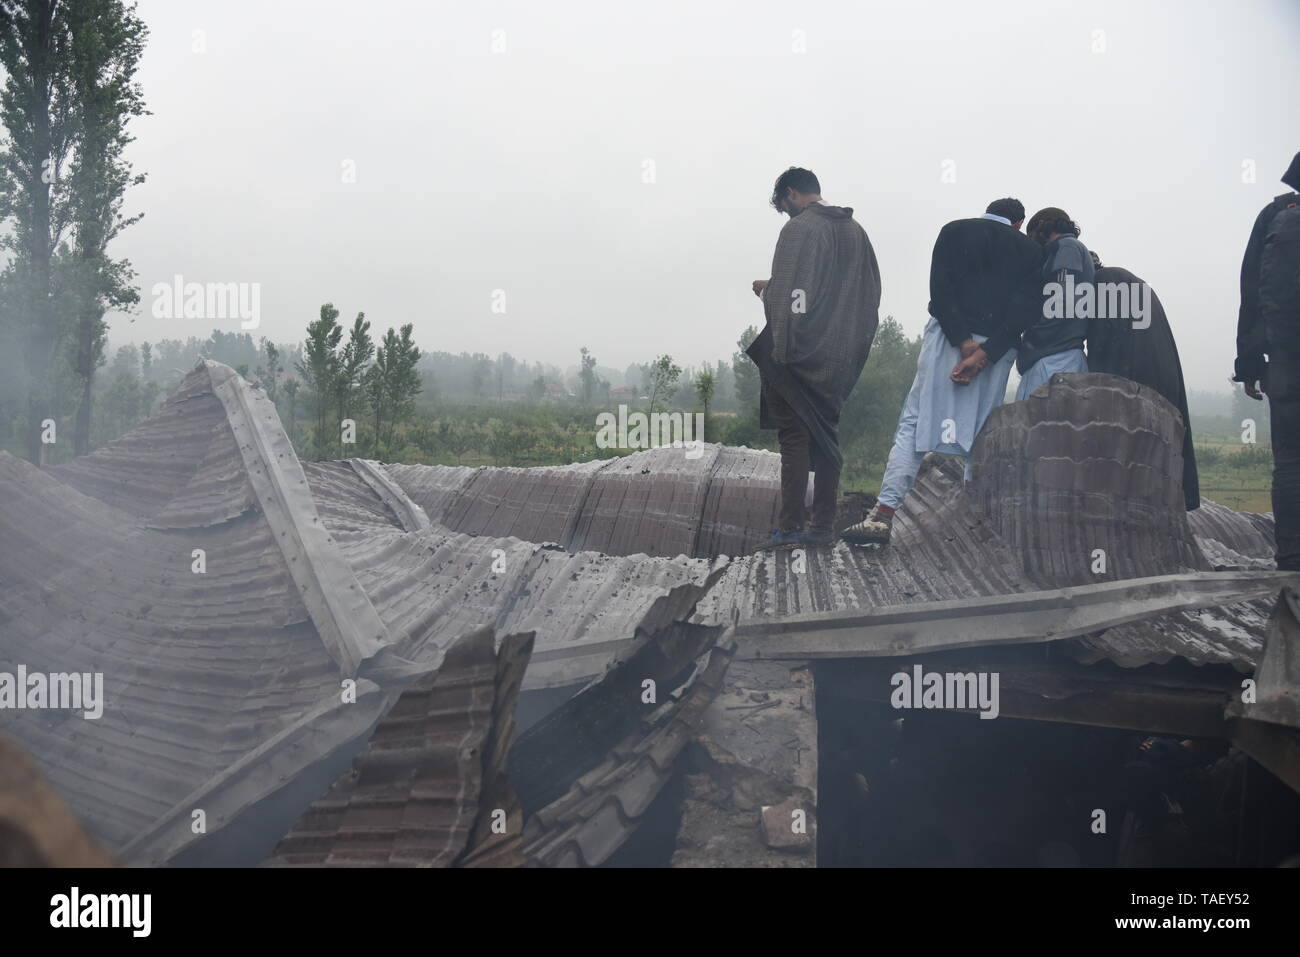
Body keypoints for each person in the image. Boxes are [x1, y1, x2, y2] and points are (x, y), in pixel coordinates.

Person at [841, 198, 1041, 546]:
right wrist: (984, 353)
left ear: (986, 211)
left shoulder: (954, 230)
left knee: (916, 422)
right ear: (1018, 223)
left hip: (948, 338)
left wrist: (963, 343)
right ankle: (973, 524)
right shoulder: (1030, 250)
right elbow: (1024, 310)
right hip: (996, 350)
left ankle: (883, 515)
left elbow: (941, 289)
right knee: (982, 432)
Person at [747, 167, 881, 549]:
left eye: (784, 206)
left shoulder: (800, 229)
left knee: (793, 439)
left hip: (797, 355)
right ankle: (821, 527)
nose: (787, 214)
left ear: (791, 193)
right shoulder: (857, 232)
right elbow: (863, 296)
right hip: (839, 358)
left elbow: (793, 297)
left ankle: (789, 529)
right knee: (827, 439)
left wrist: (781, 349)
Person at [1086, 251, 1200, 510]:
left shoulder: (1103, 282)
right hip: (1159, 374)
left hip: (1133, 377)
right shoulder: (1129, 280)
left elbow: (1101, 345)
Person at [1235, 153, 1300, 571]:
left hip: (1284, 359)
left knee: (1290, 462)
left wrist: (1249, 362)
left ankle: (1292, 562)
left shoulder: (1275, 214)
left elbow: (1251, 290)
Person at [1015, 207, 1092, 400]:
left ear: (1043, 227)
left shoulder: (1066, 247)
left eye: (1032, 236)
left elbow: (1062, 301)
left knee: (1039, 427)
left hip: (1054, 360)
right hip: (1056, 356)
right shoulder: (1071, 248)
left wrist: (1032, 338)